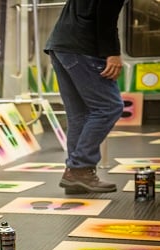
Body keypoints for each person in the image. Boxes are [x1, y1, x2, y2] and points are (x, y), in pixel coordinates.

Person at [44, 0, 125, 194]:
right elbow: (106, 19)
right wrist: (113, 53)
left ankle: (76, 178)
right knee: (109, 107)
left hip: (61, 45)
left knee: (79, 114)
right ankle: (79, 168)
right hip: (83, 47)